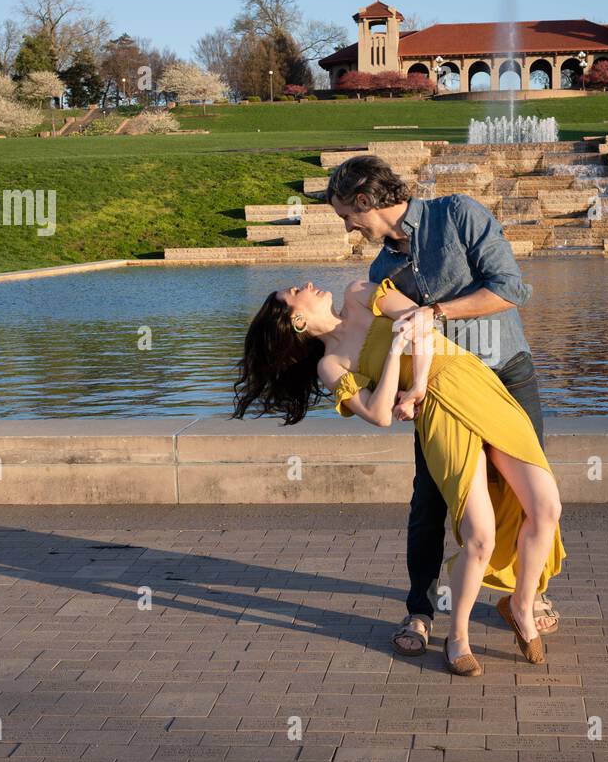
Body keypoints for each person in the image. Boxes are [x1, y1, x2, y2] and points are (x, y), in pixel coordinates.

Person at [231, 269, 565, 675]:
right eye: (295, 292)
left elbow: (421, 323)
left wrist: (418, 383)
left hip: (472, 382)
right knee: (480, 534)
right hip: (440, 417)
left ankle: (520, 605)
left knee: (546, 507)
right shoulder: (331, 364)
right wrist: (394, 353)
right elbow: (378, 413)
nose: (305, 286)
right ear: (296, 321)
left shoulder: (359, 294)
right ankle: (458, 636)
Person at [329, 155, 562, 655]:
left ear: (367, 201)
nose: (348, 226)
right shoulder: (381, 268)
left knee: (531, 492)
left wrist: (435, 312)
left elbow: (509, 288)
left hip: (505, 372)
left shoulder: (458, 214)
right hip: (444, 393)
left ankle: (529, 597)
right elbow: (389, 347)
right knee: (428, 501)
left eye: (348, 214)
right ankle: (419, 610)